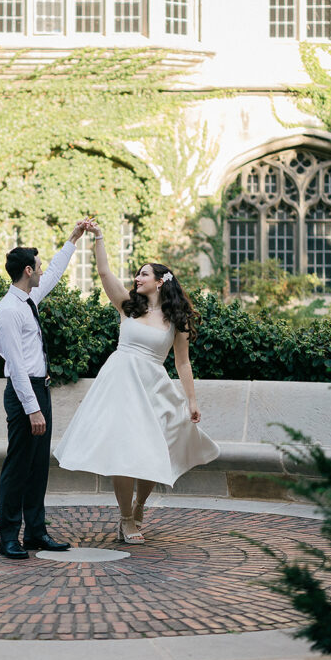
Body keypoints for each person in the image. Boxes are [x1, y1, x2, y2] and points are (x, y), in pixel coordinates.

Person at [54, 221, 219, 545]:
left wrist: (192, 401)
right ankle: (126, 518)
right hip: (120, 385)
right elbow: (104, 275)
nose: (137, 278)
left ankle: (139, 505)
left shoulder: (177, 320)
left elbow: (182, 362)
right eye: (137, 274)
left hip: (152, 386)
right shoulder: (129, 308)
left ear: (160, 282)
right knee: (124, 451)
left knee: (155, 449)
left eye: (144, 274)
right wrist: (99, 237)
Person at [0, 221, 88, 559]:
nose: (42, 271)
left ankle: (35, 533)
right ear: (28, 270)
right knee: (18, 466)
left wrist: (72, 241)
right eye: (38, 265)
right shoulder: (7, 310)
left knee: (37, 467)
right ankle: (9, 538)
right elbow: (16, 365)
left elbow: (54, 276)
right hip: (24, 396)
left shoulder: (29, 297)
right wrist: (32, 408)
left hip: (40, 391)